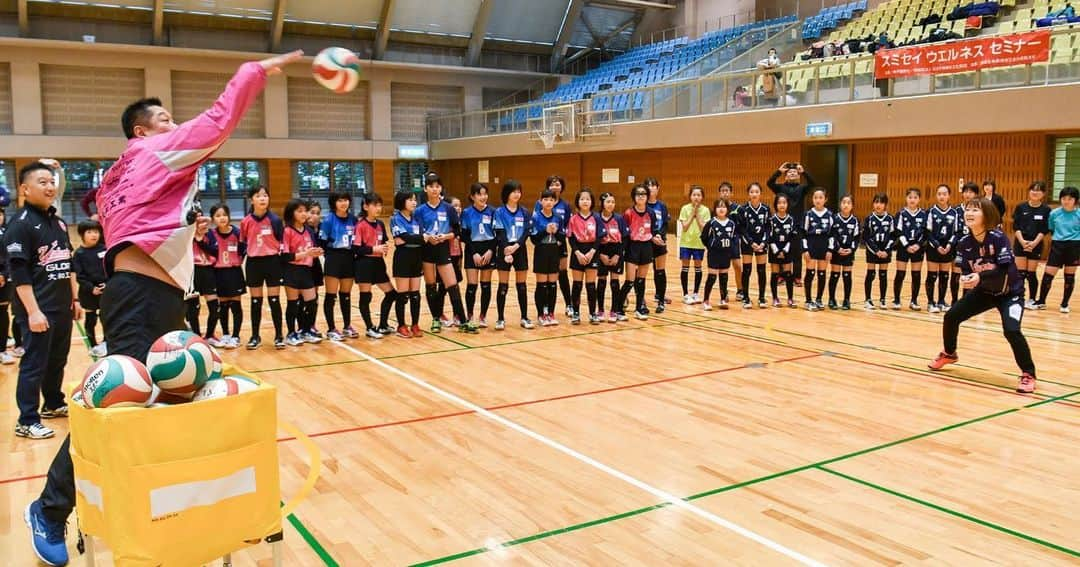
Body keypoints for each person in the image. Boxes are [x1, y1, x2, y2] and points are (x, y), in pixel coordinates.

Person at [21, 50, 302, 566]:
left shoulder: (116, 176)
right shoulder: (156, 152)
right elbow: (218, 120)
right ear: (142, 132)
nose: (177, 127)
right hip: (142, 298)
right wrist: (254, 72)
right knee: (116, 403)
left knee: (166, 399)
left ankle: (171, 505)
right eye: (166, 120)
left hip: (151, 296)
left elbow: (107, 207)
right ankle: (49, 507)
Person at [928, 198, 1038, 394]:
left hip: (1010, 293)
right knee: (952, 316)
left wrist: (979, 276)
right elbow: (964, 270)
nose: (969, 213)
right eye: (967, 209)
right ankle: (950, 353)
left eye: (975, 210)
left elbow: (1004, 269)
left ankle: (1028, 373)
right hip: (985, 291)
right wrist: (966, 279)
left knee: (1012, 331)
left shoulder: (998, 237)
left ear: (986, 215)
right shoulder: (963, 242)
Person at [5, 159, 79, 443]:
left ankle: (52, 403)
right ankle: (27, 420)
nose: (49, 187)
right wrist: (34, 312)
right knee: (34, 363)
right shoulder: (20, 225)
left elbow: (67, 263)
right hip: (37, 309)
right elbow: (19, 274)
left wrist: (75, 299)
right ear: (25, 189)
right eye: (42, 182)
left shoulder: (57, 222)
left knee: (57, 360)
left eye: (52, 182)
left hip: (61, 306)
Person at [415, 172, 476, 334]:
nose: (434, 189)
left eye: (437, 186)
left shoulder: (448, 208)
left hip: (443, 249)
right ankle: (436, 319)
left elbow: (457, 230)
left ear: (441, 188)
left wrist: (446, 236)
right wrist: (427, 237)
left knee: (452, 285)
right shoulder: (420, 210)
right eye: (431, 186)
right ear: (425, 189)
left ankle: (463, 320)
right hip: (427, 249)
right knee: (431, 285)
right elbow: (417, 231)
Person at [241, 185, 286, 350]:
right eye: (258, 196)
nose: (262, 199)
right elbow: (243, 242)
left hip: (272, 262)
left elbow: (282, 241)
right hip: (254, 263)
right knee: (255, 301)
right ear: (251, 199)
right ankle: (255, 336)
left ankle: (279, 335)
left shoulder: (274, 220)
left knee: (274, 300)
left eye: (265, 195)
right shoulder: (246, 221)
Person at [353, 193, 397, 337]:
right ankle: (369, 327)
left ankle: (383, 324)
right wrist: (373, 249)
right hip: (364, 264)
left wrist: (384, 246)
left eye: (379, 205)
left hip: (378, 263)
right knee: (365, 296)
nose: (378, 208)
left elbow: (383, 240)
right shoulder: (360, 225)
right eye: (374, 205)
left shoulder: (380, 224)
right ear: (366, 206)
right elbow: (356, 249)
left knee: (391, 294)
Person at [281, 199, 323, 346]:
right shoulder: (287, 231)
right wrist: (306, 254)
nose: (303, 214)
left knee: (311, 301)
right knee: (293, 303)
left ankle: (306, 330)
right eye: (299, 211)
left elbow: (309, 251)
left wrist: (316, 253)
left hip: (306, 270)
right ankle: (291, 333)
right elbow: (285, 256)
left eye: (305, 210)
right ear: (291, 213)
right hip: (292, 270)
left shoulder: (309, 231)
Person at [318, 191, 358, 341]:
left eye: (346, 200)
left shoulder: (353, 220)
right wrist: (329, 256)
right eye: (340, 200)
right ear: (334, 203)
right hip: (333, 258)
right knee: (331, 295)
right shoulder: (328, 220)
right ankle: (331, 328)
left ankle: (347, 325)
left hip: (349, 258)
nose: (344, 203)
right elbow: (321, 242)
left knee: (346, 295)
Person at [1032, 186, 1079, 312]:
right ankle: (1041, 301)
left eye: (1069, 199)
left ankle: (1064, 304)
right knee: (1048, 275)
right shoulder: (1054, 213)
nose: (1066, 201)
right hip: (1058, 245)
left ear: (1075, 200)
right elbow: (1051, 228)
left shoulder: (1079, 214)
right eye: (1063, 198)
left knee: (1069, 276)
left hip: (1074, 246)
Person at [493, 180, 532, 330]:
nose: (517, 194)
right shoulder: (500, 212)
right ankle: (500, 319)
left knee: (521, 286)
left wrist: (515, 246)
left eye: (519, 191)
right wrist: (506, 250)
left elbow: (526, 232)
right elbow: (499, 233)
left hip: (519, 249)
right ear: (507, 193)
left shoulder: (524, 212)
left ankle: (524, 317)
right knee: (503, 285)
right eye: (514, 191)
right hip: (504, 249)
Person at [767, 162, 814, 283]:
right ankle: (782, 275)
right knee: (783, 250)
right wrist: (779, 171)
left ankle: (797, 277)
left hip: (797, 224)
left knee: (797, 252)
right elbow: (769, 183)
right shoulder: (781, 188)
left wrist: (804, 172)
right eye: (789, 172)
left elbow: (813, 184)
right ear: (786, 176)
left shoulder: (802, 188)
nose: (792, 173)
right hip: (782, 225)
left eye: (795, 172)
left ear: (798, 175)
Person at [460, 183, 496, 326]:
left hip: (489, 248)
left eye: (485, 194)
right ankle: (469, 316)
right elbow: (464, 235)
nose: (483, 197)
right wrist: (474, 252)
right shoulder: (467, 213)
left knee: (486, 285)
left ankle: (483, 316)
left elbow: (497, 235)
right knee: (472, 286)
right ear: (472, 196)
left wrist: (490, 251)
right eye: (479, 194)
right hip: (472, 249)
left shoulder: (493, 211)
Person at [209, 203, 245, 348]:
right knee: (223, 306)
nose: (222, 218)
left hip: (234, 272)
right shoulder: (211, 235)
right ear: (212, 219)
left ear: (229, 216)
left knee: (236, 305)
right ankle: (225, 334)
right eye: (218, 216)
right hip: (218, 273)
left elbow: (243, 249)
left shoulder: (237, 233)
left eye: (224, 215)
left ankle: (236, 336)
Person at [390, 191, 424, 338]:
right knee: (403, 295)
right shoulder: (395, 219)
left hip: (417, 256)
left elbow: (416, 238)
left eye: (415, 200)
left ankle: (415, 324)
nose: (414, 202)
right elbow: (402, 238)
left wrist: (413, 239)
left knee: (415, 294)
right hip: (403, 256)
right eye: (410, 200)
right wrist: (416, 238)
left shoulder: (416, 219)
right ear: (402, 201)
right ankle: (401, 325)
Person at [538, 175, 573, 316]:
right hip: (545, 244)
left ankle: (569, 304)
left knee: (562, 274)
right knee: (547, 275)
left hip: (560, 243)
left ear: (562, 187)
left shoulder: (565, 206)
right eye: (552, 184)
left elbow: (567, 226)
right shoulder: (539, 204)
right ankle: (545, 305)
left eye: (558, 184)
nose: (555, 186)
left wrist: (560, 238)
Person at [1012, 181, 1051, 306]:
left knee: (1031, 274)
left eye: (1038, 190)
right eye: (1033, 190)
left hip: (1036, 244)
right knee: (1020, 273)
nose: (1035, 192)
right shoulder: (1021, 207)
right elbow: (1016, 226)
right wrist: (1022, 241)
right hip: (1020, 243)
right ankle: (1018, 297)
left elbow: (1045, 229)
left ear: (1043, 194)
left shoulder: (1046, 210)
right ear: (1029, 191)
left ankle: (1032, 299)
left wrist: (1034, 243)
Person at [72, 220, 108, 357]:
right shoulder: (79, 254)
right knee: (91, 319)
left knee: (106, 317)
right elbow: (80, 276)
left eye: (96, 232)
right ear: (82, 234)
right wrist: (91, 288)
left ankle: (106, 342)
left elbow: (110, 269)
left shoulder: (104, 249)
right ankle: (92, 344)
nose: (94, 235)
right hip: (88, 292)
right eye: (89, 232)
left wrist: (107, 284)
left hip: (105, 290)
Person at [567, 188, 602, 324]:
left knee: (591, 285)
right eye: (582, 199)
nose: (585, 201)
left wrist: (591, 252)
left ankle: (593, 313)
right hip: (578, 252)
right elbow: (571, 238)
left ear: (592, 201)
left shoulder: (597, 218)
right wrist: (578, 253)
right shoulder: (573, 219)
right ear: (578, 202)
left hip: (592, 251)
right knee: (577, 285)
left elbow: (599, 237)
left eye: (587, 199)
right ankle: (576, 313)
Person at [530, 189, 565, 325]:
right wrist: (545, 231)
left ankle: (551, 313)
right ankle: (540, 314)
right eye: (546, 199)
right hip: (541, 252)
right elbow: (533, 239)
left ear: (555, 201)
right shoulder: (536, 217)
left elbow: (562, 237)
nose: (549, 202)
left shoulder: (558, 217)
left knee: (552, 284)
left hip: (554, 251)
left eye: (551, 199)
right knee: (542, 285)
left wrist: (556, 233)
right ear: (540, 201)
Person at [925, 184, 961, 313]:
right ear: (936, 195)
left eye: (944, 194)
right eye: (939, 194)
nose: (942, 196)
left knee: (944, 276)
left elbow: (957, 232)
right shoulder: (931, 211)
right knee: (932, 276)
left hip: (947, 249)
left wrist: (950, 245)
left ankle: (941, 301)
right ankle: (930, 302)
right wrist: (937, 245)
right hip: (934, 248)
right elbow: (927, 232)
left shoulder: (954, 212)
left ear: (949, 196)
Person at [621, 184, 654, 320]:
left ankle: (639, 307)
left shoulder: (650, 213)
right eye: (638, 194)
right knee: (630, 280)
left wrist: (656, 236)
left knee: (641, 280)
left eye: (643, 194)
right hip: (632, 247)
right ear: (634, 197)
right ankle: (618, 306)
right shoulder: (628, 213)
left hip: (646, 246)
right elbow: (624, 233)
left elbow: (653, 230)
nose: (641, 196)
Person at [893, 188, 928, 310]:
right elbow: (898, 231)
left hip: (917, 248)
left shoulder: (924, 214)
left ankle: (914, 300)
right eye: (910, 197)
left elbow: (925, 232)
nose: (912, 200)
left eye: (915, 197)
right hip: (904, 248)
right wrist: (907, 245)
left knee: (916, 274)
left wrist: (918, 245)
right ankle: (896, 300)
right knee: (900, 273)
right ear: (906, 198)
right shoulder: (901, 214)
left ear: (919, 199)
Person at [701, 199, 738, 310]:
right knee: (712, 277)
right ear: (715, 209)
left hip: (726, 253)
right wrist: (711, 246)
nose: (721, 209)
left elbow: (734, 238)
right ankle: (706, 300)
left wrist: (731, 248)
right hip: (714, 254)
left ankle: (722, 299)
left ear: (727, 209)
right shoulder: (711, 222)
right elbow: (703, 237)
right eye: (719, 206)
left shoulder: (731, 223)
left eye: (723, 207)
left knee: (723, 277)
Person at [738, 182, 771, 308]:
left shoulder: (766, 209)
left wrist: (763, 242)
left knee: (761, 270)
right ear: (748, 194)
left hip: (762, 243)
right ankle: (746, 298)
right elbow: (741, 228)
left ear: (760, 194)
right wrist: (751, 242)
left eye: (757, 192)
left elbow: (768, 228)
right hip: (748, 244)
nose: (754, 194)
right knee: (747, 270)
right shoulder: (743, 209)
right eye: (752, 192)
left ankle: (762, 298)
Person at [188, 218, 220, 345]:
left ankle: (210, 335)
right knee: (193, 307)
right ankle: (196, 337)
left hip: (207, 271)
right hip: (192, 271)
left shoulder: (210, 234)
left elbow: (214, 252)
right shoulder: (186, 233)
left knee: (214, 305)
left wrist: (201, 240)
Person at [597, 192, 628, 322]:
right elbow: (594, 238)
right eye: (608, 202)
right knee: (602, 281)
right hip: (601, 250)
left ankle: (614, 310)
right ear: (602, 203)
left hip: (616, 250)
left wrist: (618, 255)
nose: (611, 204)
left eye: (613, 202)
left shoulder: (619, 219)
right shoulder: (596, 218)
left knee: (615, 282)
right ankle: (600, 310)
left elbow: (625, 239)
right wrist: (600, 254)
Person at [801, 188, 834, 311]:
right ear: (812, 199)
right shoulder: (808, 214)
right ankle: (808, 300)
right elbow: (803, 233)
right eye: (815, 197)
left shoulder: (830, 215)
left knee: (822, 273)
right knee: (810, 273)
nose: (818, 200)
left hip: (824, 246)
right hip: (811, 246)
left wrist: (830, 249)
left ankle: (819, 299)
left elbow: (832, 234)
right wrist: (805, 249)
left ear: (825, 199)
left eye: (820, 197)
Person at [950, 182, 981, 304]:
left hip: (975, 247)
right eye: (966, 192)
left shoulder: (980, 210)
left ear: (976, 194)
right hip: (959, 247)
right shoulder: (956, 210)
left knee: (971, 273)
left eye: (971, 192)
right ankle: (954, 301)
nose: (968, 194)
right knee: (956, 273)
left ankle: (967, 302)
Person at [677, 185, 709, 304]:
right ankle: (685, 294)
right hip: (686, 243)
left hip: (699, 244)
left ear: (702, 197)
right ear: (690, 196)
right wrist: (692, 213)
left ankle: (695, 293)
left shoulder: (705, 210)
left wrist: (698, 213)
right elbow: (684, 227)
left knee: (698, 269)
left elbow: (703, 228)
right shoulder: (685, 208)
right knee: (685, 268)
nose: (696, 197)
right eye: (694, 195)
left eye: (699, 195)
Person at [863, 193, 895, 309]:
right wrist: (876, 251)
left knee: (883, 275)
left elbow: (893, 237)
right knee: (870, 274)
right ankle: (868, 299)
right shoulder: (869, 219)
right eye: (876, 202)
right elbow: (866, 238)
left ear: (885, 205)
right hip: (872, 251)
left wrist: (886, 250)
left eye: (881, 202)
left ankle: (882, 299)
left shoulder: (890, 218)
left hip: (885, 250)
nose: (878, 205)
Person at [828, 195, 859, 310]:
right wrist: (837, 248)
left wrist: (851, 249)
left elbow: (856, 238)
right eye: (844, 202)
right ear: (840, 204)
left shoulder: (855, 220)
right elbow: (831, 235)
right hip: (837, 252)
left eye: (848, 203)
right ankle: (831, 299)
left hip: (848, 253)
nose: (846, 205)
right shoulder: (834, 218)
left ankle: (846, 300)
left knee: (847, 276)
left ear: (852, 206)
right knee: (835, 275)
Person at [645, 177, 671, 312]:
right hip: (646, 242)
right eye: (648, 186)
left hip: (660, 241)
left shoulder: (662, 206)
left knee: (660, 272)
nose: (651, 188)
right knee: (641, 273)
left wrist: (659, 235)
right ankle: (640, 299)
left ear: (658, 188)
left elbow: (665, 224)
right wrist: (652, 236)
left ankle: (660, 299)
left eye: (653, 185)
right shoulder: (642, 206)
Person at [768, 194, 798, 308]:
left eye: (784, 203)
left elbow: (792, 237)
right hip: (774, 249)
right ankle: (775, 298)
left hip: (787, 250)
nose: (782, 205)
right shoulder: (772, 220)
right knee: (775, 274)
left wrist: (784, 251)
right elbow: (769, 237)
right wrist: (776, 251)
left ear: (787, 204)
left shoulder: (791, 219)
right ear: (776, 205)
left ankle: (790, 298)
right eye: (779, 203)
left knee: (788, 274)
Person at [0, 208, 15, 365]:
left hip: (4, 280)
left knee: (3, 313)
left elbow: (10, 257)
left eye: (1, 214)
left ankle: (2, 349)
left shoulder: (7, 233)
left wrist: (4, 274)